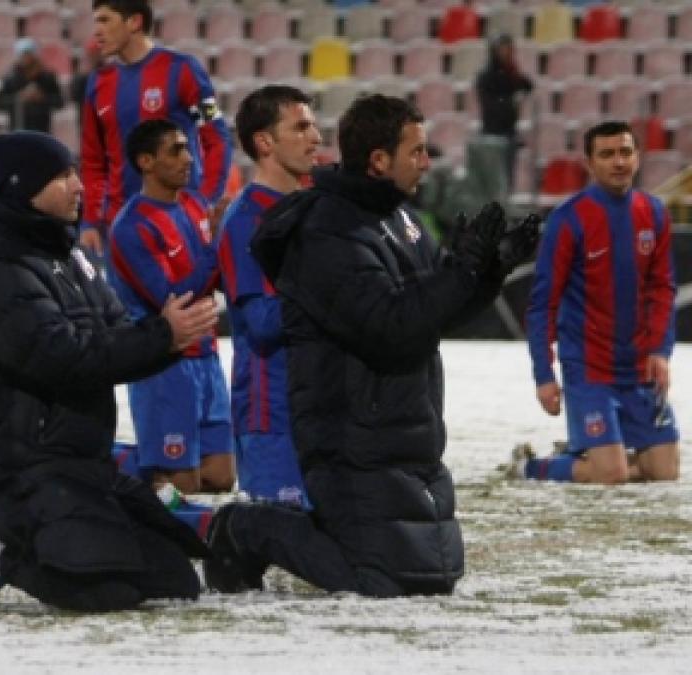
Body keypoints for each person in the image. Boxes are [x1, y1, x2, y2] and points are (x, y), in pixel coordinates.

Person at [205, 94, 539, 598]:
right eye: (418, 152)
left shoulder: (399, 219)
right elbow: (376, 321)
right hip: (318, 409)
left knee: (426, 575)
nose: (317, 139)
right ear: (380, 160)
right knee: (360, 564)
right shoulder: (314, 223)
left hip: (397, 412)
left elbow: (429, 308)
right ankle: (235, 531)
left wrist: (486, 272)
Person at [0, 130, 216, 611]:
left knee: (175, 583)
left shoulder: (68, 255)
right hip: (19, 469)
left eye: (76, 172)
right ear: (21, 187)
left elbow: (116, 335)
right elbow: (61, 357)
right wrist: (162, 336)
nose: (78, 186)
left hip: (80, 466)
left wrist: (169, 339)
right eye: (61, 176)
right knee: (103, 594)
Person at [517, 121, 678, 484]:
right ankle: (530, 467)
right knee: (612, 476)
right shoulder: (568, 219)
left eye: (625, 152)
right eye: (606, 154)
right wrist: (544, 375)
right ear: (589, 163)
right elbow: (543, 303)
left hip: (639, 367)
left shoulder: (653, 213)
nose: (618, 162)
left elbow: (662, 288)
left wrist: (660, 351)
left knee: (664, 474)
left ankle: (590, 451)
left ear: (638, 158)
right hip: (589, 370)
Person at [108, 119, 234, 495]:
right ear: (146, 161)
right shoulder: (131, 228)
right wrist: (216, 248)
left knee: (221, 478)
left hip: (208, 357)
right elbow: (173, 297)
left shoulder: (195, 204)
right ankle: (112, 464)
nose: (189, 159)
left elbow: (215, 277)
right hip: (166, 366)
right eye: (176, 150)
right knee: (182, 485)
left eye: (188, 148)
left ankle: (139, 461)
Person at [217, 85, 321, 506]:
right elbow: (262, 323)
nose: (315, 137)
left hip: (320, 405)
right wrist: (334, 294)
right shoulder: (247, 220)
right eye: (300, 127)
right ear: (264, 142)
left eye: (313, 125)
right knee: (281, 545)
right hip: (273, 411)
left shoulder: (314, 208)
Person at [79, 0, 231, 259]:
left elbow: (217, 138)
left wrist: (204, 200)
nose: (97, 30)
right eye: (96, 21)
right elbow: (93, 160)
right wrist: (91, 221)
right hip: (120, 225)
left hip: (179, 223)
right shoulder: (98, 83)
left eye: (105, 20)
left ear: (134, 22)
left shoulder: (183, 70)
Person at [475, 34, 533, 193]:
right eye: (503, 49)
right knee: (493, 180)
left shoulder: (511, 73)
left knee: (508, 178)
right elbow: (489, 105)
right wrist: (510, 104)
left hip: (509, 132)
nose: (507, 53)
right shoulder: (486, 76)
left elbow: (528, 85)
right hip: (492, 133)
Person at [0, 38, 64, 134]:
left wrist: (42, 98)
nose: (25, 58)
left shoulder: (47, 77)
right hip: (18, 130)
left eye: (28, 54)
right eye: (23, 54)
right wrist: (19, 98)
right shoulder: (11, 78)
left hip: (42, 130)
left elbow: (59, 102)